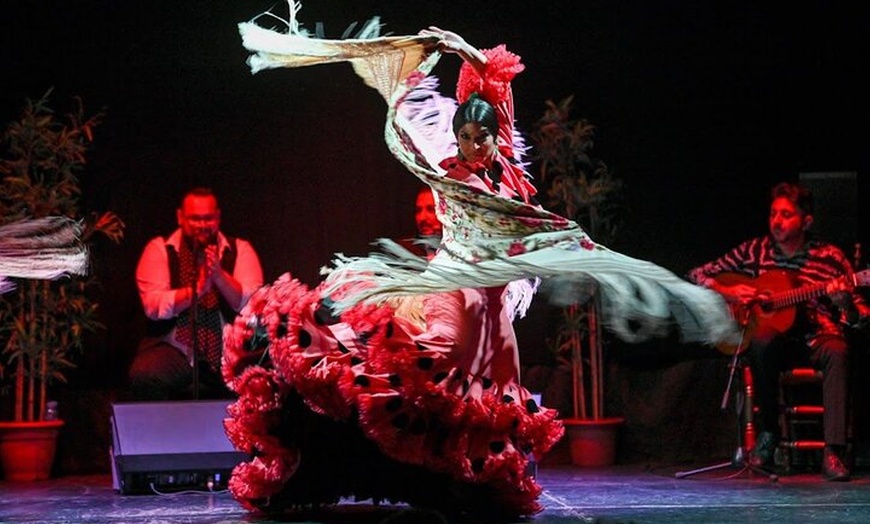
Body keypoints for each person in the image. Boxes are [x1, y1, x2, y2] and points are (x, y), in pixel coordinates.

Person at [230, 9, 737, 519]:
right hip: (457, 285)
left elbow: (498, 95)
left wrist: (465, 51)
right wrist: (432, 61)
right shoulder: (448, 172)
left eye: (482, 137)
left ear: (495, 139)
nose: (473, 146)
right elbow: (411, 117)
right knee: (432, 362)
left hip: (496, 300)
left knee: (495, 393)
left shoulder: (509, 178)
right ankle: (339, 432)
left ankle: (461, 484)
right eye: (465, 138)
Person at [688, 181, 869, 481]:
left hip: (817, 337)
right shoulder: (753, 251)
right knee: (761, 341)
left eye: (786, 215)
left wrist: (846, 302)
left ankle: (834, 451)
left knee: (838, 350)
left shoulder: (830, 257)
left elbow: (860, 317)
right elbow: (696, 274)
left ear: (806, 221)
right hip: (775, 344)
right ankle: (769, 434)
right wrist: (728, 291)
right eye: (773, 214)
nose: (777, 221)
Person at [129, 187, 263, 400]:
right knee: (146, 373)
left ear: (218, 218)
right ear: (180, 217)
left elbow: (251, 304)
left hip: (229, 349)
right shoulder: (160, 249)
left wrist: (218, 276)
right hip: (175, 349)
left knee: (261, 372)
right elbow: (153, 306)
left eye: (208, 219)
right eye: (195, 219)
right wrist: (196, 291)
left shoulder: (240, 249)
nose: (202, 225)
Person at [398, 184, 443, 259]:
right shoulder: (403, 252)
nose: (422, 218)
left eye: (431, 209)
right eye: (418, 211)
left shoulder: (462, 252)